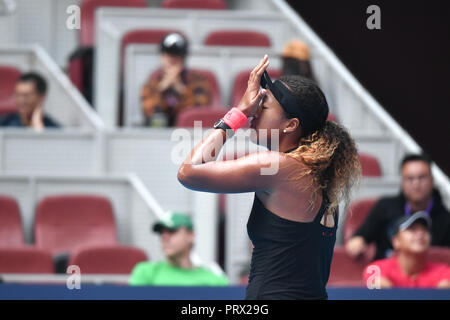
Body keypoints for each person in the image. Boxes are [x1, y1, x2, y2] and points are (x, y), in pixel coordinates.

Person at [177, 55, 361, 299]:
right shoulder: (320, 175)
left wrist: (237, 112)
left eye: (263, 107)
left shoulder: (278, 167)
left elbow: (188, 172)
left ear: (291, 124)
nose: (253, 113)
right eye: (253, 108)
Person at [346, 154, 450, 261]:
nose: (416, 184)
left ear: (432, 180)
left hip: (427, 274)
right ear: (402, 182)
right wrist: (358, 242)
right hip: (384, 272)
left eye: (422, 177)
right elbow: (359, 239)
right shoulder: (385, 207)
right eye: (410, 178)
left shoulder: (446, 218)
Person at [129, 212, 229, 286]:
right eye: (161, 233)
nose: (164, 237)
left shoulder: (216, 281)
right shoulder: (145, 272)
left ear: (191, 235)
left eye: (172, 231)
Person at [141, 32, 213, 127]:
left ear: (183, 59)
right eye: (169, 56)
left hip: (189, 133)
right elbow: (150, 112)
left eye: (177, 57)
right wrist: (162, 88)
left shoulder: (198, 80)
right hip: (159, 135)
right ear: (162, 57)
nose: (172, 61)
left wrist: (180, 88)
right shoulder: (153, 82)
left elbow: (197, 113)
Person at [363, 211, 450, 288]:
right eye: (412, 229)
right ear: (396, 241)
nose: (420, 233)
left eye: (425, 230)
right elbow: (384, 296)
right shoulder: (375, 269)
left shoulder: (444, 272)